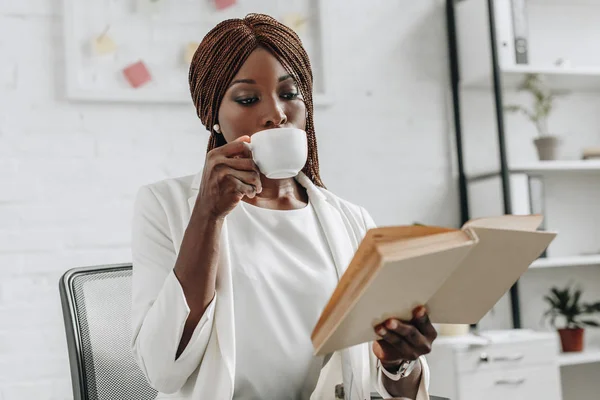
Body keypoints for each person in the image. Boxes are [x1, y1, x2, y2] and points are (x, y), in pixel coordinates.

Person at [131, 13, 436, 400]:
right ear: (213, 118)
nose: (276, 113)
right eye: (247, 99)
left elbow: (385, 385)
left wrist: (398, 363)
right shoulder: (166, 206)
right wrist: (208, 214)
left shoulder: (351, 221)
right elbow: (163, 371)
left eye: (290, 94)